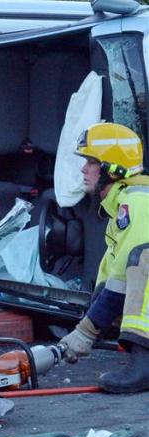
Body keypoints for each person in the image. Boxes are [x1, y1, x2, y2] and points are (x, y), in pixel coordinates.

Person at [59, 122, 149, 393]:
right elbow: (109, 278)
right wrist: (83, 329)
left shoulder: (137, 204)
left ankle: (144, 366)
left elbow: (126, 273)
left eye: (90, 161)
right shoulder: (123, 207)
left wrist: (87, 330)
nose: (83, 169)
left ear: (113, 168)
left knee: (142, 259)